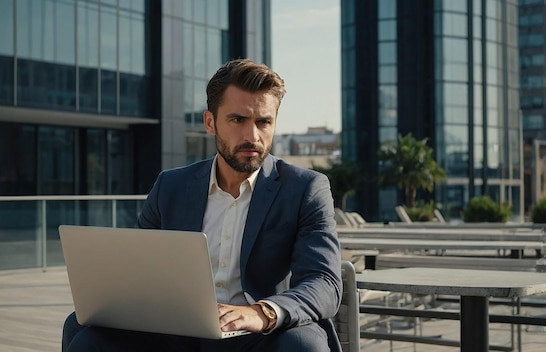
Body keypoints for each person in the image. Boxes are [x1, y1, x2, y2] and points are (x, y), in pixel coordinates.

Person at [62, 58, 343, 352]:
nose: (252, 136)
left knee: (304, 345)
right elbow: (141, 272)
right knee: (83, 330)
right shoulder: (170, 187)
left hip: (259, 334)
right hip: (177, 331)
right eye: (238, 120)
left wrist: (262, 313)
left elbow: (324, 281)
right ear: (210, 122)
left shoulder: (306, 188)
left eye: (263, 122)